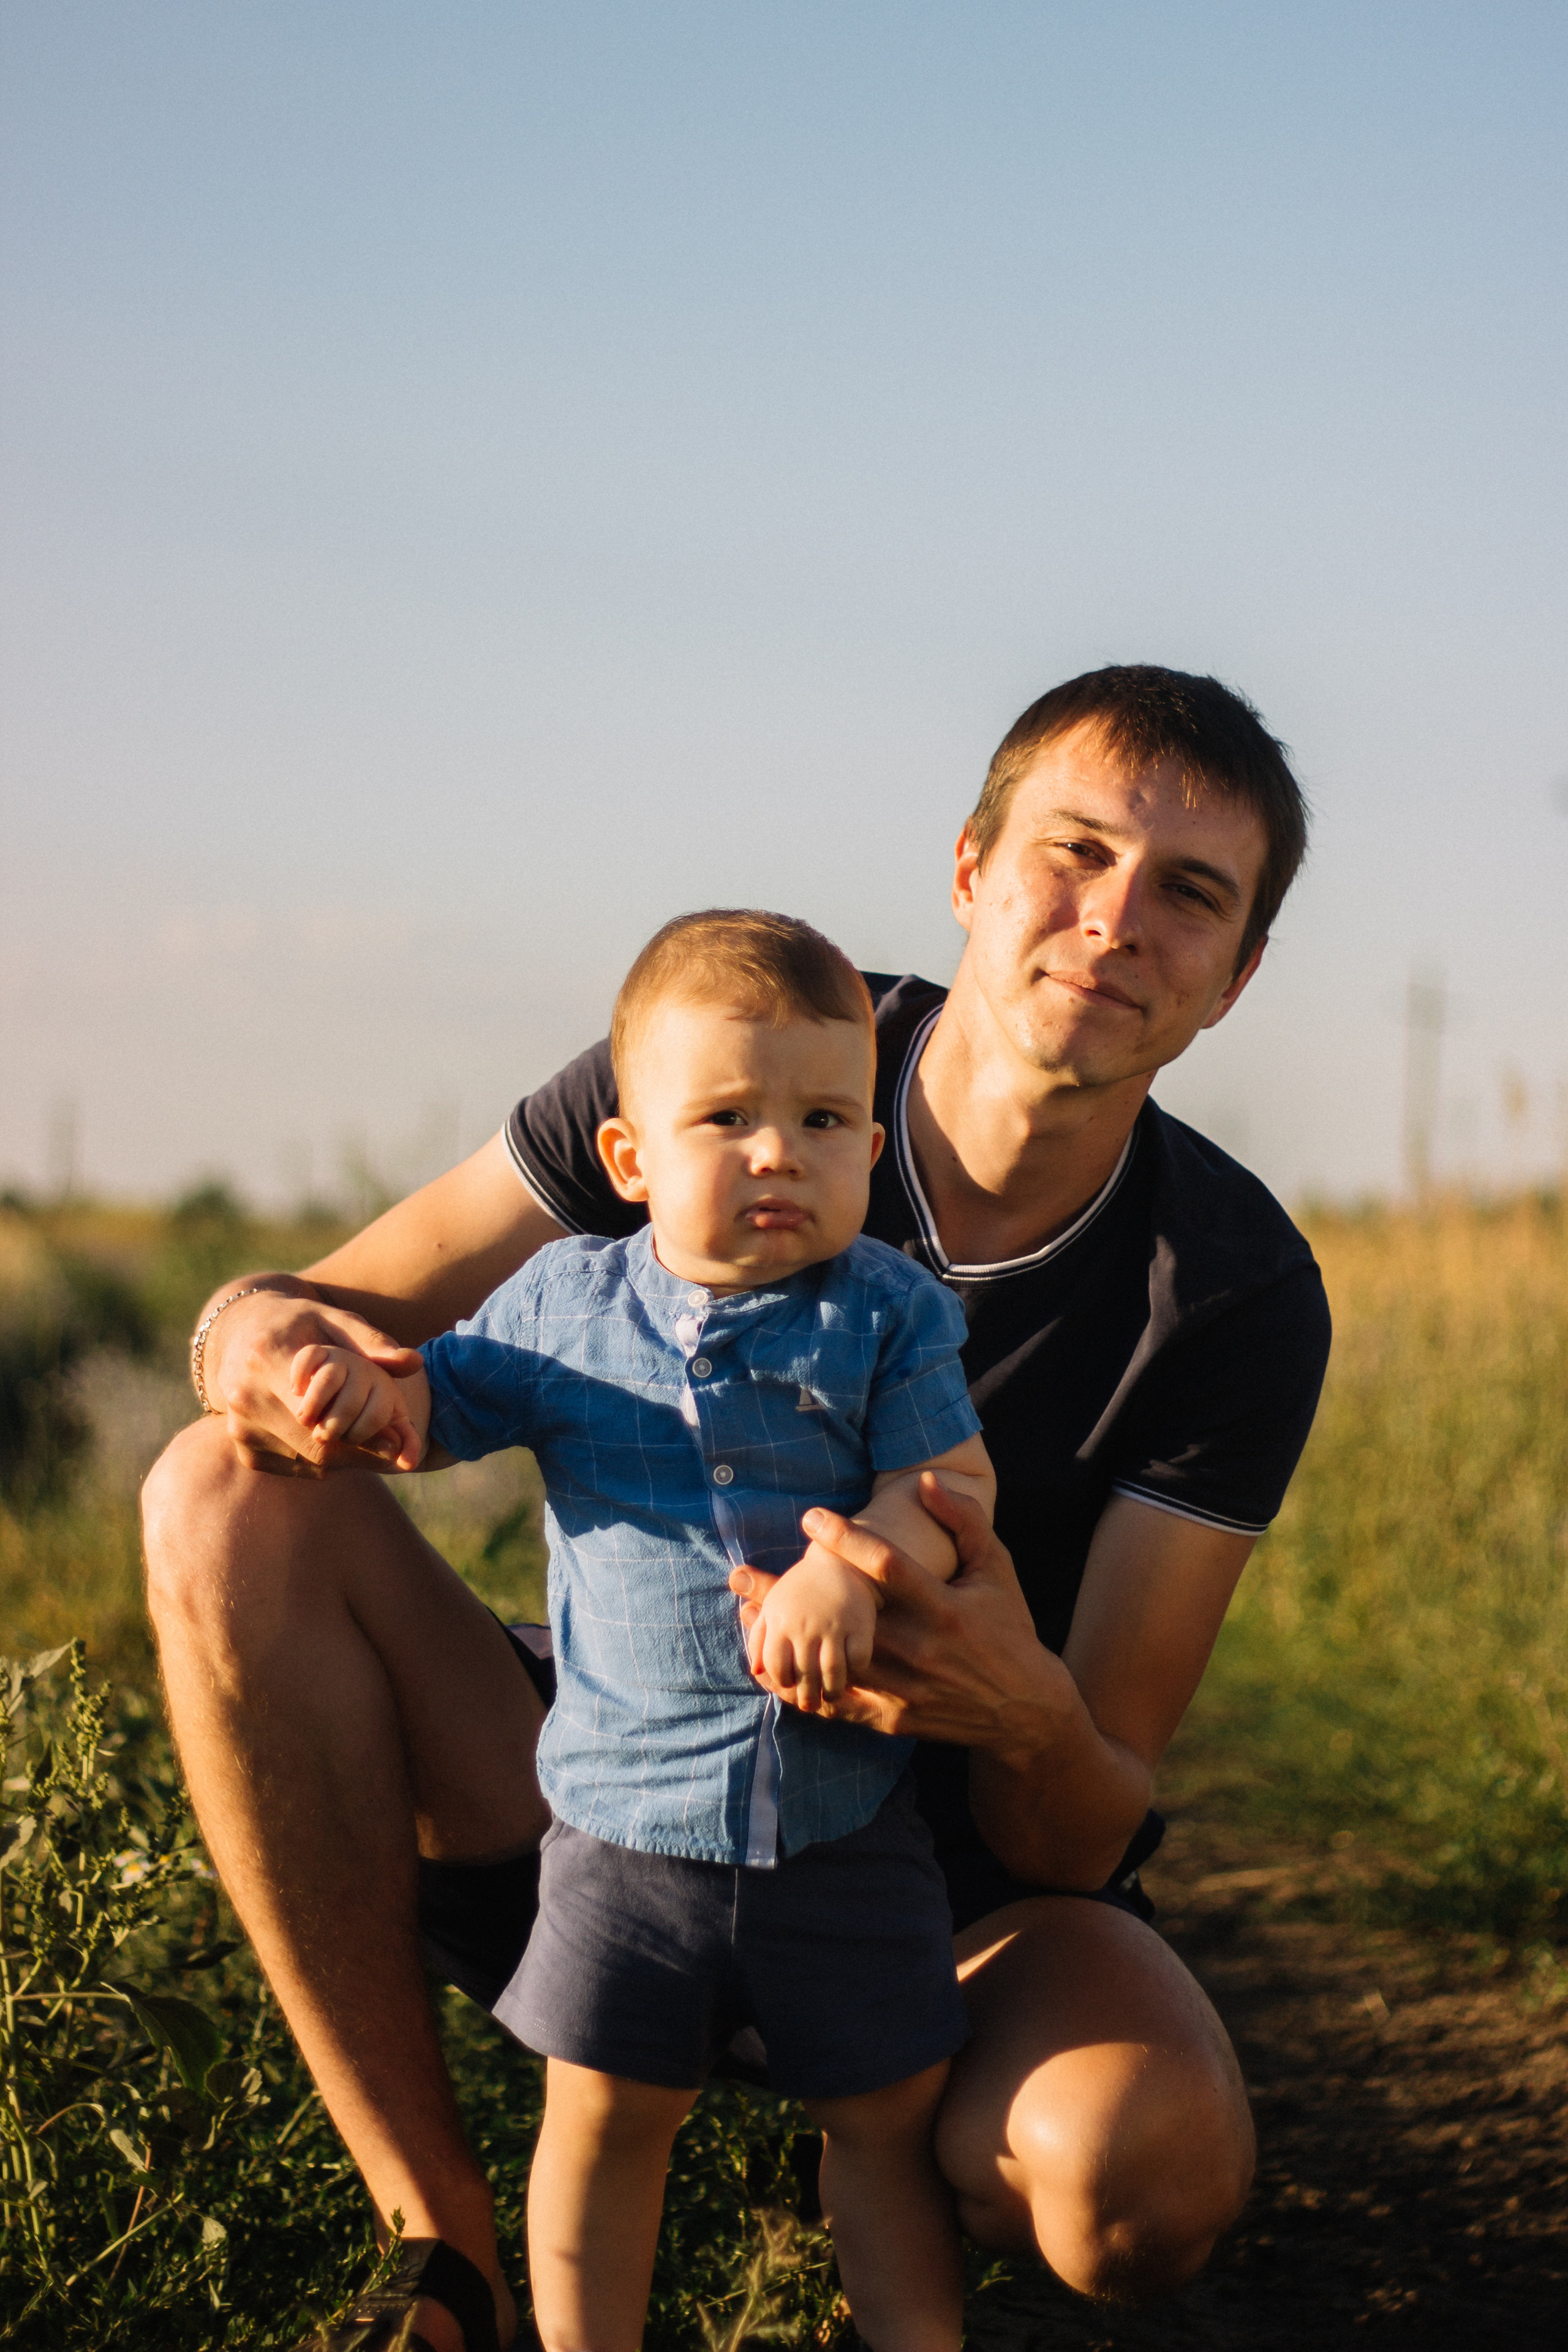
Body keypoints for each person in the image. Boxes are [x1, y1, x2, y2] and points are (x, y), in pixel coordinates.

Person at [141, 663, 1331, 2352]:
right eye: (1073, 852)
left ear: (1237, 975)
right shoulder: (719, 1048)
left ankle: (873, 2126)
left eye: (1189, 894)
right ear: (971, 870)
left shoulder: (1231, 1293)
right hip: (610, 1783)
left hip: (949, 1882)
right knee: (219, 1489)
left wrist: (1012, 1703)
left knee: (1142, 2179)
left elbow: (1084, 1821)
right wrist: (248, 1343)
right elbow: (320, 1315)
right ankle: (441, 2250)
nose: (1114, 921)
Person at [288, 910, 996, 2351]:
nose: (776, 1153)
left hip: (843, 1827)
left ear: (870, 1150)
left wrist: (855, 1567)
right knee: (607, 2121)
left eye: (821, 1121)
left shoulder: (884, 1314)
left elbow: (949, 1485)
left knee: (882, 2125)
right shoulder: (564, 1305)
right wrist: (372, 1399)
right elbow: (438, 1405)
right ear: (629, 1158)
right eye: (725, 1118)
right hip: (623, 1832)